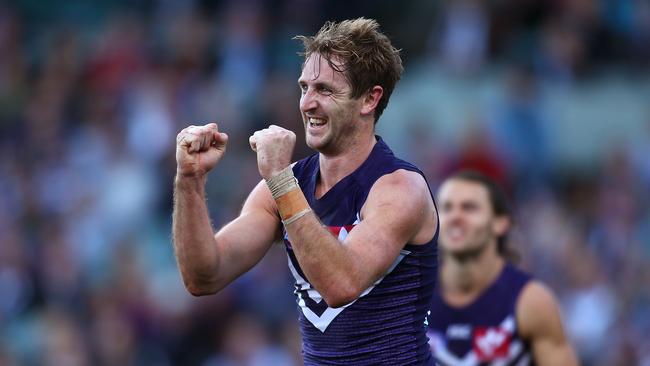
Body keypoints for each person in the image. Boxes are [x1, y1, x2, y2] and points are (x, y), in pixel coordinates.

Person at [173, 18, 439, 365]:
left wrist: (281, 181)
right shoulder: (287, 185)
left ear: (369, 100)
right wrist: (189, 181)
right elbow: (204, 275)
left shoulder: (400, 187)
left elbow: (341, 284)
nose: (307, 103)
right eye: (304, 88)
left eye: (325, 90)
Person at [427, 170, 578, 365]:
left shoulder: (531, 302)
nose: (455, 217)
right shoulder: (411, 297)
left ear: (500, 223)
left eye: (469, 208)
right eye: (446, 208)